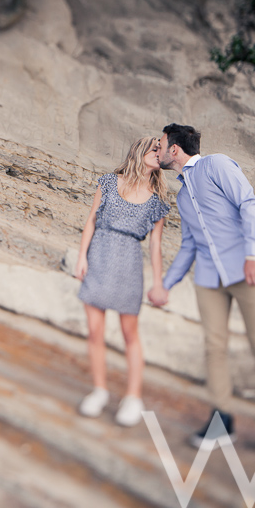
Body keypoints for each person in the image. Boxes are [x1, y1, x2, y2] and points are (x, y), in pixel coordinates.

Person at [147, 123, 255, 462]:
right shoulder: (183, 195)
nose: (157, 150)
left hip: (248, 270)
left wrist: (253, 255)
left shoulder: (217, 165)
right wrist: (164, 286)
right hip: (209, 279)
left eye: (160, 145)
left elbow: (250, 206)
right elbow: (188, 246)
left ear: (175, 149)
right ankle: (221, 421)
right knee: (214, 347)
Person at [74, 137, 170, 427]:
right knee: (94, 330)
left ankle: (132, 397)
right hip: (100, 256)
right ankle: (100, 391)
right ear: (140, 152)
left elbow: (155, 246)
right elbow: (91, 220)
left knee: (130, 334)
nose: (159, 154)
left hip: (129, 265)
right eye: (155, 149)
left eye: (162, 150)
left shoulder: (157, 202)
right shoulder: (107, 182)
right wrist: (82, 256)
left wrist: (158, 282)